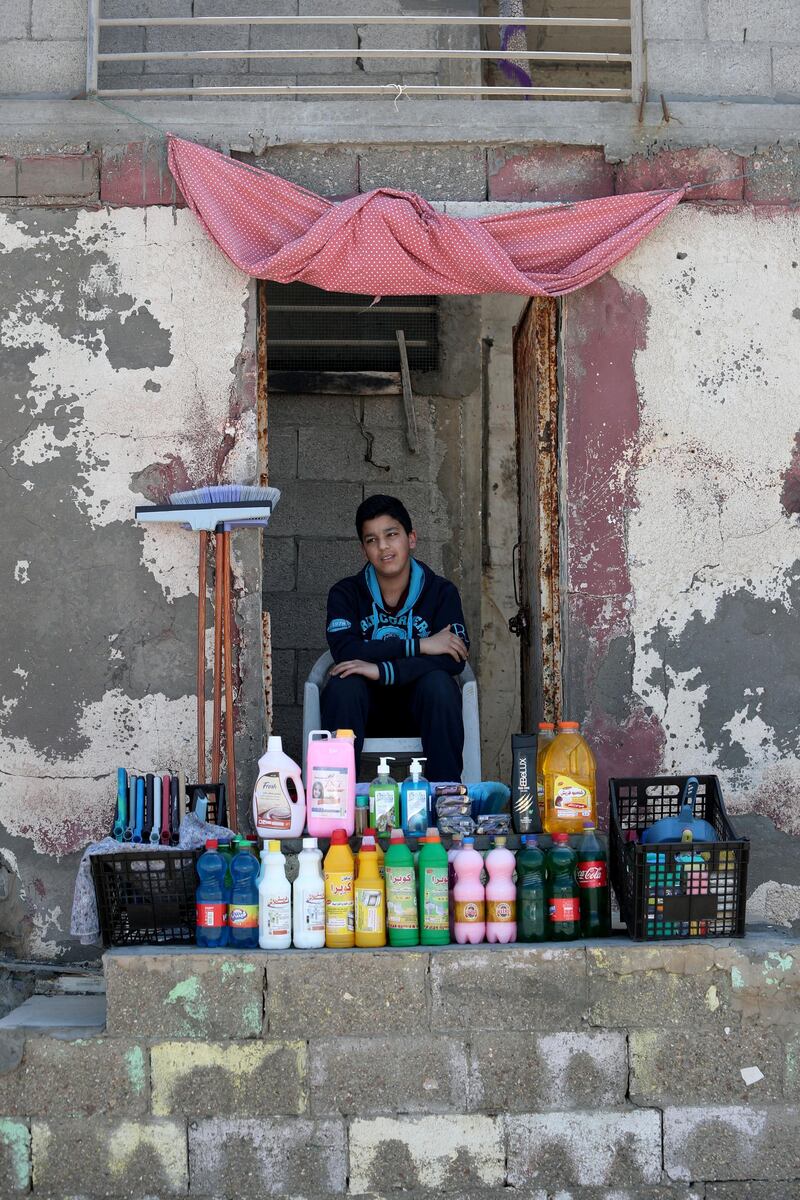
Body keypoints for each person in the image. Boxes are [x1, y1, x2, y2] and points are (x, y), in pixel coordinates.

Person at [321, 494, 469, 781]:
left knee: (439, 684)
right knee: (343, 684)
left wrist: (380, 669)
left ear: (411, 538)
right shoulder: (346, 593)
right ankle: (334, 801)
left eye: (391, 535)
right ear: (364, 550)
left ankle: (446, 800)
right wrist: (421, 645)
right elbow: (345, 650)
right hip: (364, 712)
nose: (383, 547)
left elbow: (455, 659)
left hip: (420, 711)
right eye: (371, 540)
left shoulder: (441, 592)